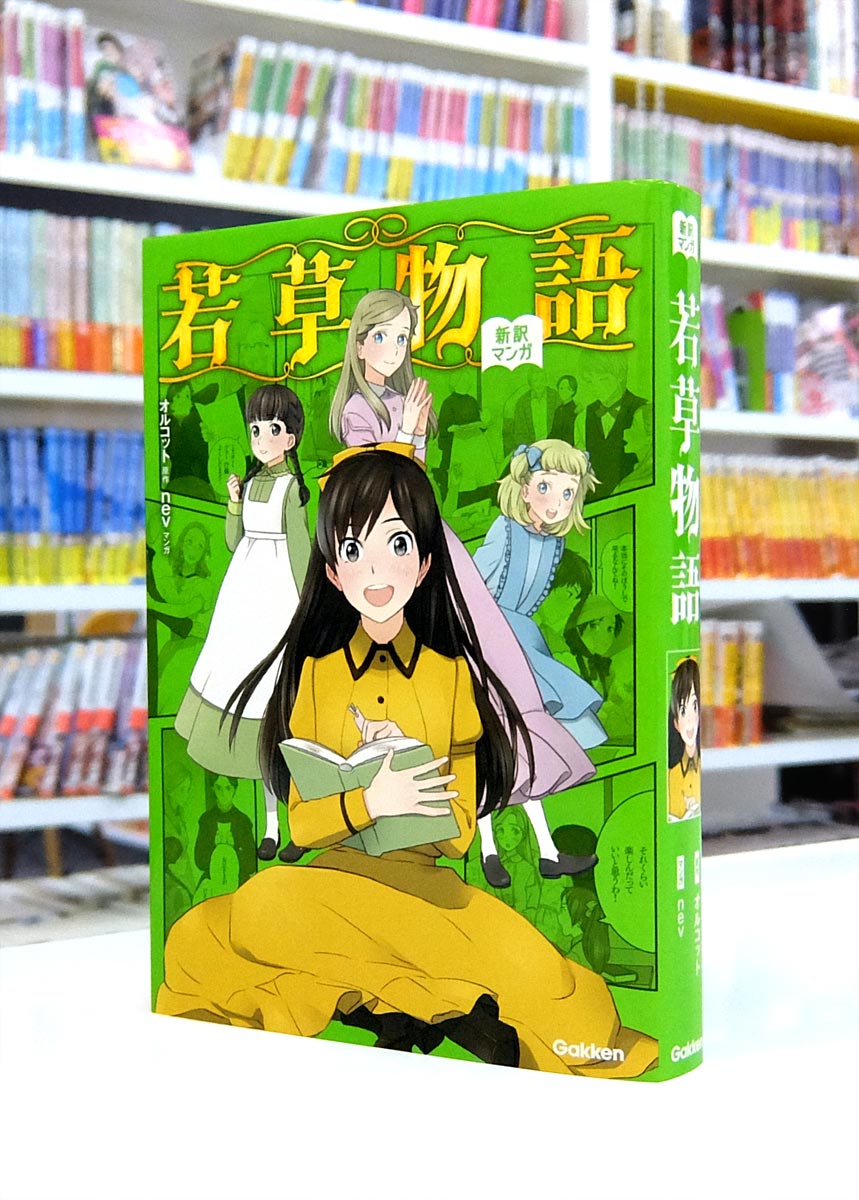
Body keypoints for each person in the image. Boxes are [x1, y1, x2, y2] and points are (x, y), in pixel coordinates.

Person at [157, 445, 657, 1078]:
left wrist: (413, 776)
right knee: (242, 914)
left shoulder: (453, 677)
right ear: (332, 571)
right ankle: (410, 1001)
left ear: (424, 564)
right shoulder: (315, 675)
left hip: (429, 896)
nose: (375, 571)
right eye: (352, 548)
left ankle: (423, 1003)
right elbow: (303, 827)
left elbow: (460, 836)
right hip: (328, 887)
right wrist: (369, 800)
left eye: (396, 544)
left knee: (559, 994)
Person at [329, 289, 597, 830]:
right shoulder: (357, 411)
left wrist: (411, 432)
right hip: (383, 546)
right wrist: (407, 433)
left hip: (425, 533)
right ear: (358, 343)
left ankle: (507, 768)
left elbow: (414, 478)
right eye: (382, 336)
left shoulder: (403, 400)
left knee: (488, 646)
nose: (394, 349)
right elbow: (375, 486)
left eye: (403, 338)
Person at [174, 385, 312, 861]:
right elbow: (235, 540)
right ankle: (271, 826)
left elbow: (300, 553)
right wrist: (234, 501)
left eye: (272, 429)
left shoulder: (293, 491)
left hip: (278, 606)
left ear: (290, 438)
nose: (261, 439)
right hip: (242, 605)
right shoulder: (251, 483)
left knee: (281, 718)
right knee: (252, 718)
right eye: (255, 429)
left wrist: (306, 614)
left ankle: (301, 824)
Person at [473, 440, 607, 886]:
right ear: (525, 487)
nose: (556, 503)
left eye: (568, 493)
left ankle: (548, 853)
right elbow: (472, 585)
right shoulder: (504, 531)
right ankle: (489, 851)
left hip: (522, 644)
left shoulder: (554, 543)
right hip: (489, 644)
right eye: (546, 487)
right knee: (491, 748)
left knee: (529, 750)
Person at [668, 657, 701, 821]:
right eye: (682, 711)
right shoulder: (673, 774)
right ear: (676, 723)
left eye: (694, 706)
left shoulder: (697, 763)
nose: (689, 720)